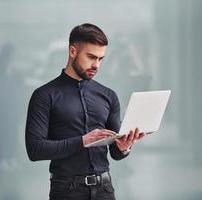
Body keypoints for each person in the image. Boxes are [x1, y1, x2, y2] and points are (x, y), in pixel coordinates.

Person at [25, 23, 146, 200]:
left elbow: (115, 153)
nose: (96, 65)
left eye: (100, 59)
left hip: (105, 189)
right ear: (72, 51)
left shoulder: (109, 96)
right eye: (91, 57)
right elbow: (35, 150)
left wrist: (124, 147)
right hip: (67, 191)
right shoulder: (44, 95)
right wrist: (83, 141)